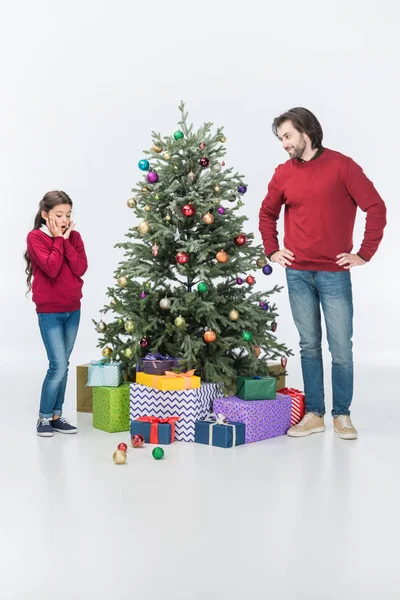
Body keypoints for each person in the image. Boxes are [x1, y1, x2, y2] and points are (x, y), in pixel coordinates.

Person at [259, 107, 386, 440]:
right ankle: (314, 414)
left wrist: (363, 253)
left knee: (341, 348)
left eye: (287, 136)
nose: (284, 144)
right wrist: (272, 249)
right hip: (297, 274)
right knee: (309, 346)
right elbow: (266, 213)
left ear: (306, 132)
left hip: (334, 274)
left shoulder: (342, 167)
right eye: (281, 138)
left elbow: (376, 207)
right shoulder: (284, 173)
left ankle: (341, 415)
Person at [25, 191, 88, 437]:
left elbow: (81, 267)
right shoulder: (35, 238)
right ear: (45, 215)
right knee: (58, 365)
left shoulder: (75, 237)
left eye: (68, 215)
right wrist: (60, 240)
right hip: (50, 312)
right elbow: (51, 268)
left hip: (73, 309)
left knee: (65, 364)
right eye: (59, 215)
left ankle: (56, 415)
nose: (64, 220)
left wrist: (67, 239)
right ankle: (43, 417)